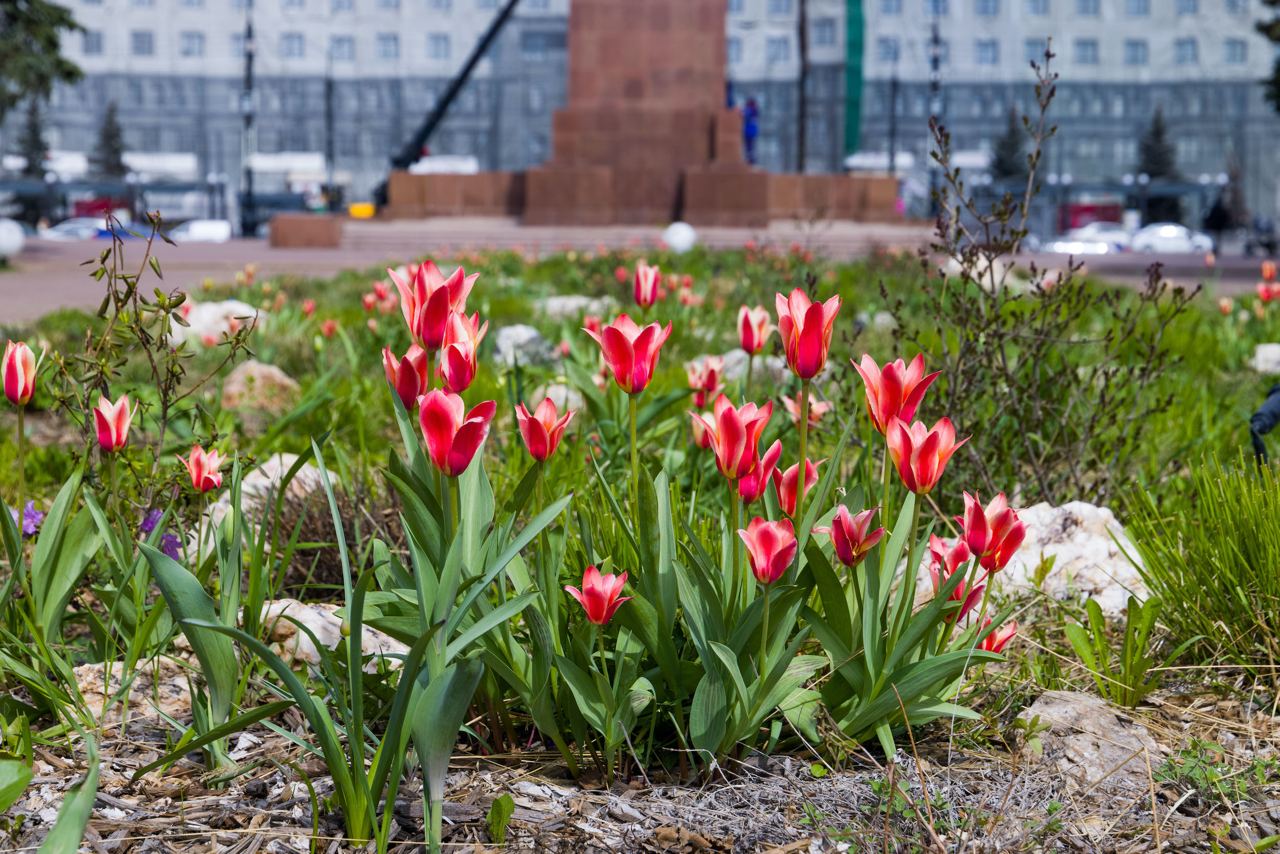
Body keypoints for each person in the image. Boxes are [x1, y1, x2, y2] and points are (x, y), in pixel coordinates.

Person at [742, 98, 759, 166]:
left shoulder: (750, 110)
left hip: (748, 132)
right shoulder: (755, 110)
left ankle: (750, 161)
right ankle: (751, 160)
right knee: (751, 147)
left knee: (749, 147)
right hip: (752, 132)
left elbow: (743, 114)